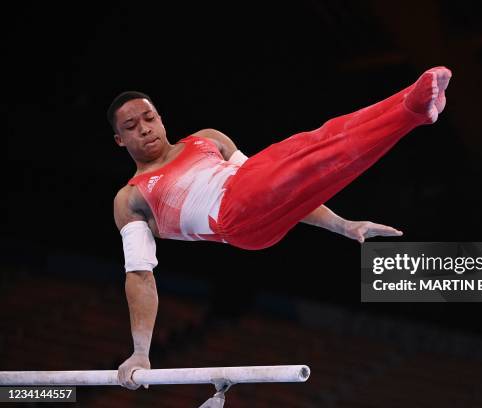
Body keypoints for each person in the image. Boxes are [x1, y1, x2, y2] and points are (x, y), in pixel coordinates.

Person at [111, 66, 452, 389]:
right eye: (130, 126)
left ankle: (415, 108)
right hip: (234, 220)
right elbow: (140, 275)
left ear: (160, 117)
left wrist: (343, 226)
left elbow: (285, 182)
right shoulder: (131, 197)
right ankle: (412, 107)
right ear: (120, 140)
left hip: (254, 198)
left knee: (318, 149)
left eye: (149, 117)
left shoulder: (207, 139)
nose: (144, 128)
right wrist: (141, 351)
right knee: (307, 155)